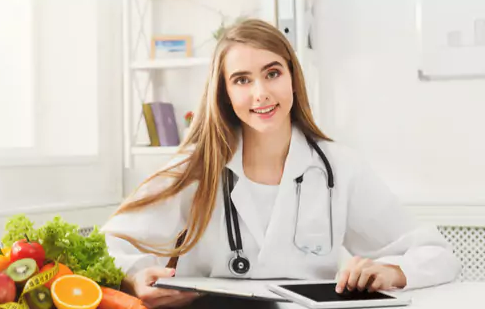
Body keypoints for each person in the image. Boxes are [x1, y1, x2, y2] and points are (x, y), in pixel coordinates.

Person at [101, 18, 461, 308]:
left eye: (272, 73)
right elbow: (107, 245)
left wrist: (392, 272)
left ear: (292, 77)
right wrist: (133, 276)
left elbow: (438, 254)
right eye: (242, 80)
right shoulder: (196, 166)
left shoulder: (341, 167)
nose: (261, 93)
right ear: (225, 93)